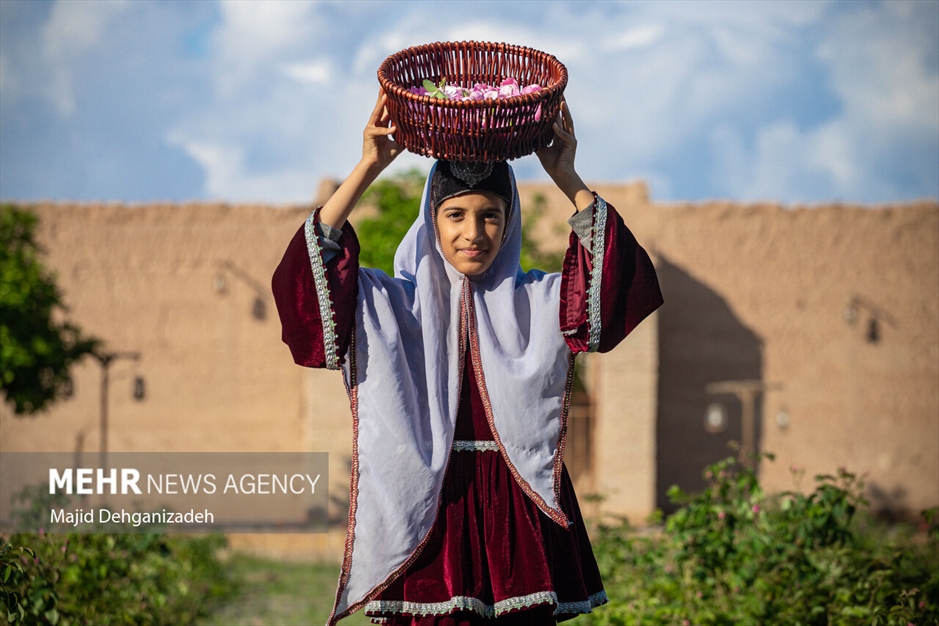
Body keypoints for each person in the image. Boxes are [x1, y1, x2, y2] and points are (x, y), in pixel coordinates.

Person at [272, 90, 663, 625]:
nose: (473, 233)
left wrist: (567, 177)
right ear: (431, 220)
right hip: (428, 509)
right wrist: (368, 167)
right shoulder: (393, 305)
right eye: (455, 214)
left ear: (510, 221)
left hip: (516, 506)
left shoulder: (539, 301)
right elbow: (307, 288)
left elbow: (615, 290)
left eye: (491, 216)